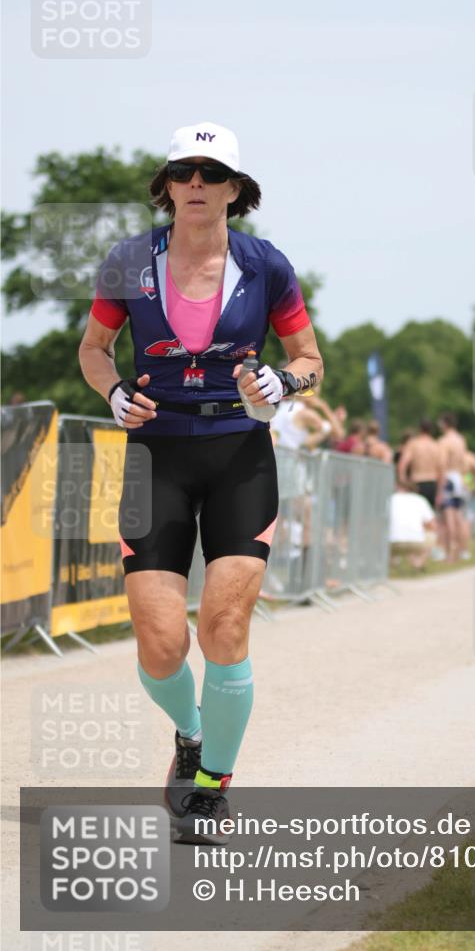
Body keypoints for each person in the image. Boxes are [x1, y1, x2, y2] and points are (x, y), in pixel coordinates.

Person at [78, 121, 324, 842]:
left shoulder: (266, 265)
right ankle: (190, 735)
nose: (195, 184)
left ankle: (213, 783)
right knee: (160, 643)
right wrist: (114, 392)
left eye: (211, 174)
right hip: (155, 456)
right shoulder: (129, 261)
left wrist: (285, 381)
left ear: (235, 191)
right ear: (166, 183)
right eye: (183, 171)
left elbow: (309, 357)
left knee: (223, 628)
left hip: (238, 453)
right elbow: (95, 349)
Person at [436, 413, 469, 562]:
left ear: (444, 424)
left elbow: (442, 463)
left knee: (448, 518)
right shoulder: (461, 440)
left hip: (448, 477)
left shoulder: (444, 441)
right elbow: (463, 463)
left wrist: (440, 484)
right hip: (459, 478)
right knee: (459, 518)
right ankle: (462, 551)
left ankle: (450, 553)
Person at [389, 478, 437, 571]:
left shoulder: (390, 499)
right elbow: (432, 525)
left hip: (391, 543)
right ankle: (418, 564)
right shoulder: (421, 500)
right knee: (431, 535)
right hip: (416, 543)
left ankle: (391, 564)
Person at [397, 419, 441, 508]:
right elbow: (441, 470)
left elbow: (402, 465)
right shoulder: (436, 446)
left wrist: (403, 483)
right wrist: (440, 492)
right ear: (431, 430)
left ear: (420, 429)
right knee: (429, 517)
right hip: (432, 483)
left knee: (414, 516)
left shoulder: (413, 444)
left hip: (417, 483)